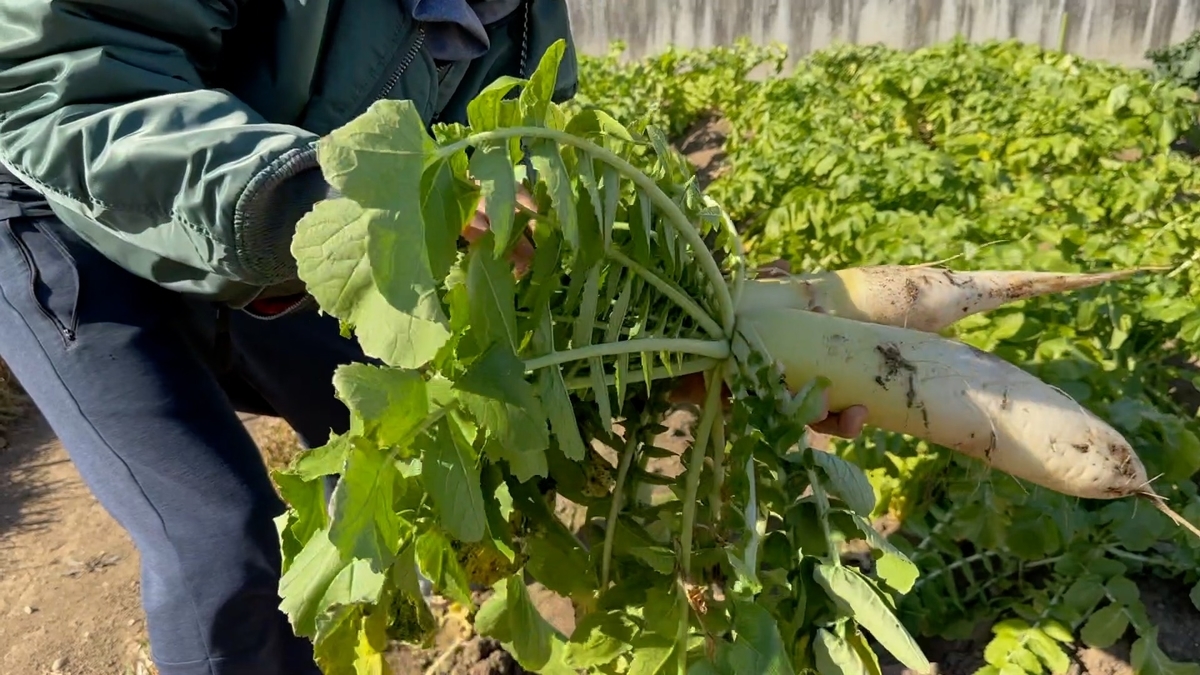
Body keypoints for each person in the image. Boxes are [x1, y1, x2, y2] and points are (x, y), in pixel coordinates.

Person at [0, 2, 869, 674]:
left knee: (396, 433)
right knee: (219, 542)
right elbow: (59, 79)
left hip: (282, 226)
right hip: (55, 211)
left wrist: (671, 364)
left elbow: (523, 241)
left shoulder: (518, 19)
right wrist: (349, 196)